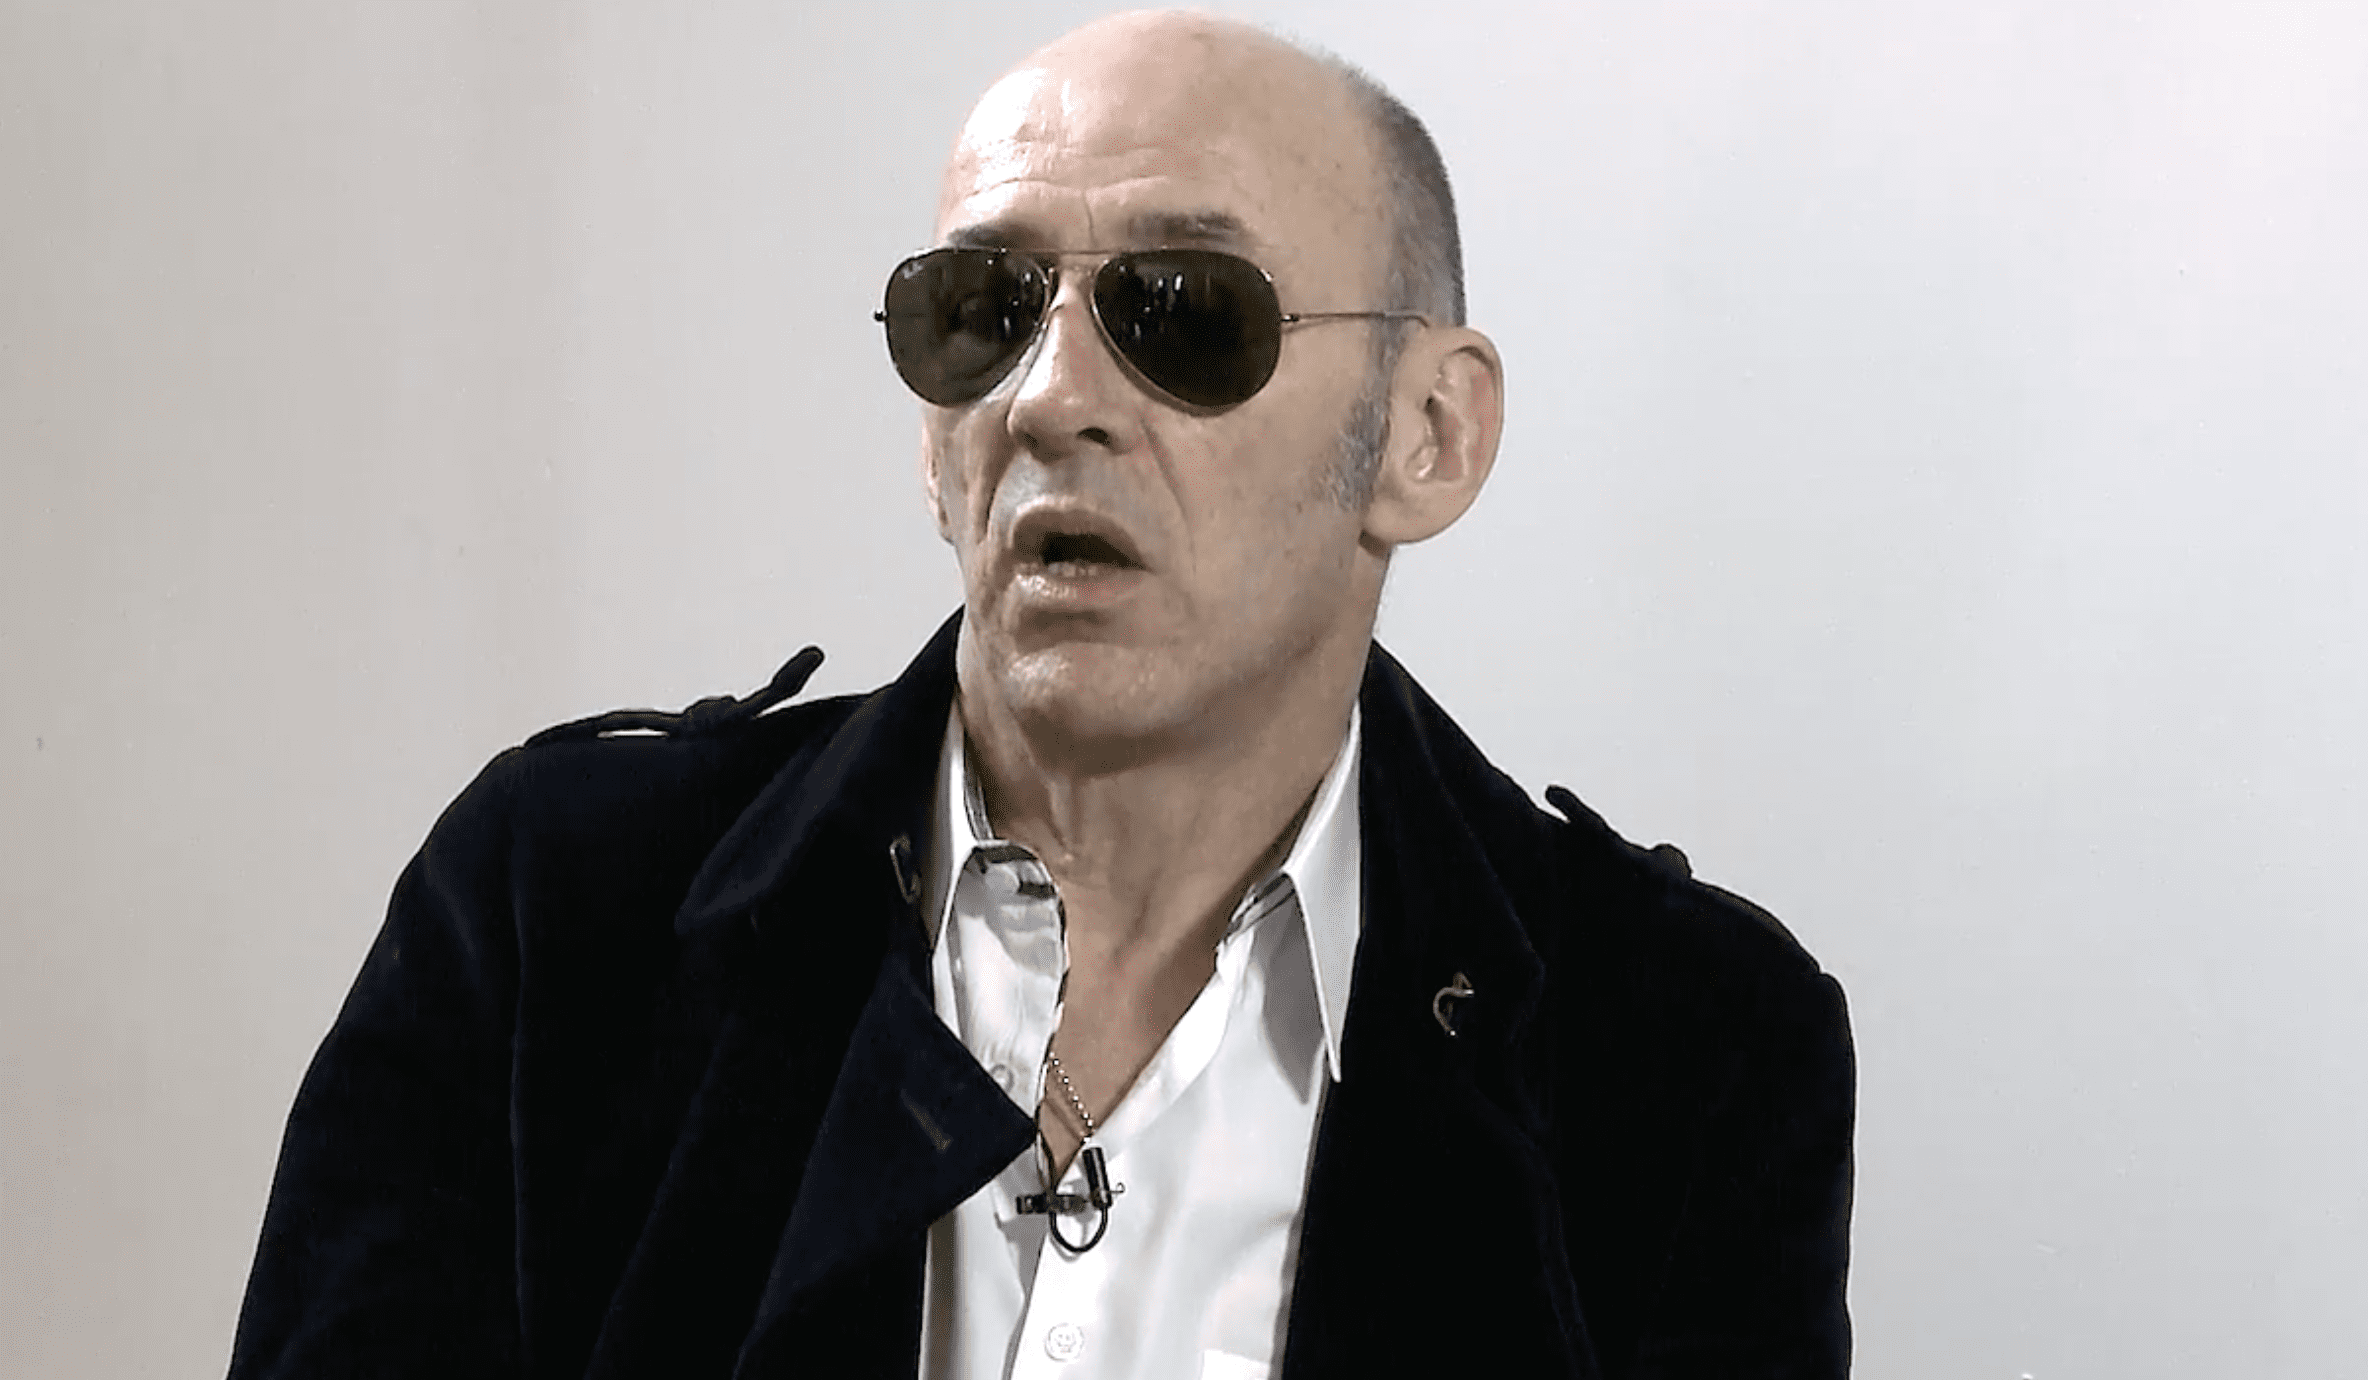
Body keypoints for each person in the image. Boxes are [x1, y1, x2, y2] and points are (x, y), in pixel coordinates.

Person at [228, 11, 1854, 1379]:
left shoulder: (1684, 1048)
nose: (1051, 397)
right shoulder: (554, 918)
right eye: (982, 314)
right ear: (931, 441)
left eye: (1185, 313)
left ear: (1428, 435)